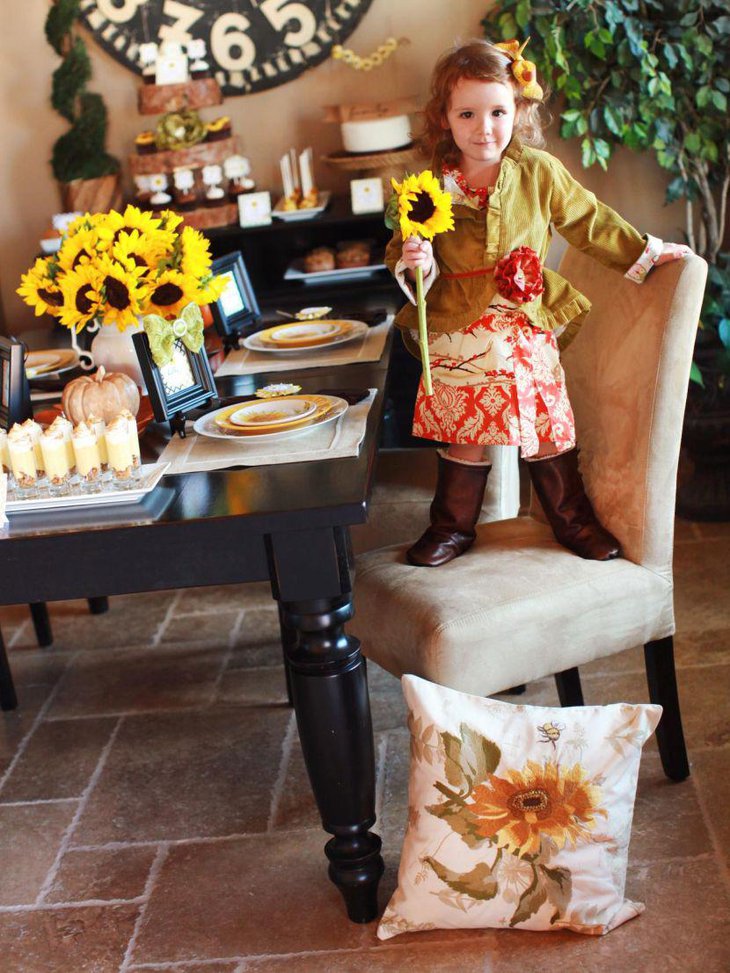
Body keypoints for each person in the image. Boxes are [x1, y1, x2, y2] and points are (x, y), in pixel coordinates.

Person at [385, 38, 690, 568]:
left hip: (523, 320)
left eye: (498, 112)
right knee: (464, 431)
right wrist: (417, 259)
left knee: (546, 421)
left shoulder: (538, 171)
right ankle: (452, 526)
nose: (485, 128)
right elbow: (404, 247)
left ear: (518, 110)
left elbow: (588, 220)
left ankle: (571, 520)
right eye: (468, 114)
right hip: (459, 325)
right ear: (443, 119)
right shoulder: (428, 185)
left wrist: (647, 251)